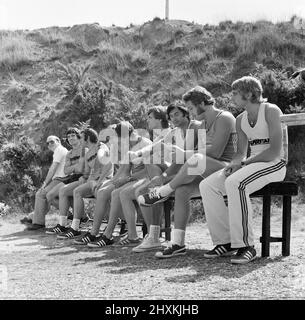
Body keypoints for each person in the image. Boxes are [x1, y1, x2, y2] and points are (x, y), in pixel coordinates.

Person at [138, 86, 236, 258]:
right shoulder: (205, 123)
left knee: (195, 160)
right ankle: (178, 243)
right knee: (183, 190)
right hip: (207, 169)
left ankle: (163, 192)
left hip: (227, 167)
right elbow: (196, 155)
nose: (189, 111)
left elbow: (217, 152)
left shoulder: (224, 118)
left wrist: (185, 154)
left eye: (190, 108)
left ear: (202, 103)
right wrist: (167, 173)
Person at [200, 76, 286, 264]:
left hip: (275, 164)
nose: (232, 97)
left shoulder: (271, 111)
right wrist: (234, 164)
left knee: (235, 182)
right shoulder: (240, 119)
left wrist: (245, 163)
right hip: (252, 164)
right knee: (208, 185)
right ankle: (226, 241)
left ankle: (247, 245)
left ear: (249, 93)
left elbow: (274, 151)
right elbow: (240, 152)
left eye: (235, 93)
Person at [74, 121, 152, 246]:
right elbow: (124, 169)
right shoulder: (126, 146)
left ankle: (108, 234)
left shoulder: (146, 144)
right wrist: (113, 181)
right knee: (103, 191)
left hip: (146, 178)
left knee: (114, 193)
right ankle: (96, 233)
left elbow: (150, 171)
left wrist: (126, 179)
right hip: (132, 178)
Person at [57, 128, 113, 239]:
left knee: (99, 193)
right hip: (93, 180)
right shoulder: (87, 152)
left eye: (81, 138)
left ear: (87, 138)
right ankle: (74, 228)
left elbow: (109, 165)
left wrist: (100, 180)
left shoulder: (101, 147)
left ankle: (107, 225)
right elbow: (88, 172)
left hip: (105, 179)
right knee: (77, 191)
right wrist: (85, 180)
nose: (79, 140)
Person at [45, 127, 88, 234]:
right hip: (72, 177)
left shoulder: (84, 150)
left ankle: (70, 222)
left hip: (84, 177)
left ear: (78, 137)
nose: (70, 138)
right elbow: (67, 170)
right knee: (51, 195)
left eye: (73, 135)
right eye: (68, 136)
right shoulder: (69, 153)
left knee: (64, 191)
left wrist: (74, 167)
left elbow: (83, 169)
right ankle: (68, 221)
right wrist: (76, 166)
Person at [25, 135, 68, 230]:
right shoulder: (60, 151)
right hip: (60, 179)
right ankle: (32, 217)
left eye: (52, 141)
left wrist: (45, 184)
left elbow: (52, 169)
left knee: (40, 194)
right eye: (48, 143)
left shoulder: (59, 150)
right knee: (46, 196)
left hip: (61, 179)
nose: (49, 144)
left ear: (58, 141)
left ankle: (38, 222)